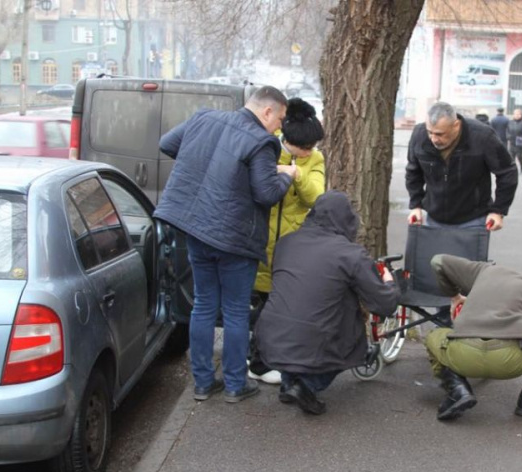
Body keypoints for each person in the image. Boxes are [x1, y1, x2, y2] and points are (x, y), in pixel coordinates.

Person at [154, 86, 297, 404]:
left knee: (203, 305)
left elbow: (167, 144)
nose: (280, 127)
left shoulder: (204, 118)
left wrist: (205, 164)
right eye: (281, 119)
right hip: (234, 239)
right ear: (267, 112)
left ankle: (203, 383)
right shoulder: (262, 141)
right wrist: (287, 175)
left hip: (197, 231)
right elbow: (266, 194)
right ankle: (235, 384)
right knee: (234, 311)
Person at [255, 191, 401, 415]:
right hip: (313, 337)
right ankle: (307, 386)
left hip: (269, 337)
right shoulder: (351, 254)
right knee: (350, 334)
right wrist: (390, 283)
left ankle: (289, 384)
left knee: (306, 307)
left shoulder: (287, 242)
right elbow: (383, 304)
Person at [424, 254, 522, 421]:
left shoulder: (483, 272)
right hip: (511, 362)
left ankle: (457, 388)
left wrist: (455, 297)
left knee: (434, 336)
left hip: (462, 356)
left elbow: (438, 261)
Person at [248, 97, 326, 385]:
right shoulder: (266, 148)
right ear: (287, 140)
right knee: (256, 307)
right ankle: (255, 359)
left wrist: (296, 173)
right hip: (257, 242)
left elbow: (315, 196)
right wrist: (276, 169)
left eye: (312, 148)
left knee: (273, 309)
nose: (309, 152)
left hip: (289, 248)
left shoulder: (313, 160)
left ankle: (260, 360)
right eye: (304, 148)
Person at [405, 101, 518, 232]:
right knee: (435, 253)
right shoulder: (419, 135)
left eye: (440, 134)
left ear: (456, 125)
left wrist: (498, 211)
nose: (433, 139)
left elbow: (507, 172)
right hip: (434, 217)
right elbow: (413, 172)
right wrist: (416, 205)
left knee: (465, 254)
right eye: (430, 132)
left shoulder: (482, 136)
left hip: (473, 218)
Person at [507, 108, 522, 174]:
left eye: (518, 114)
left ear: (521, 115)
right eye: (515, 114)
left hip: (520, 142)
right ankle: (512, 169)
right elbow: (507, 130)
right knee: (512, 156)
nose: (517, 115)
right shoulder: (510, 122)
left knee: (519, 155)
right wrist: (508, 136)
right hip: (512, 141)